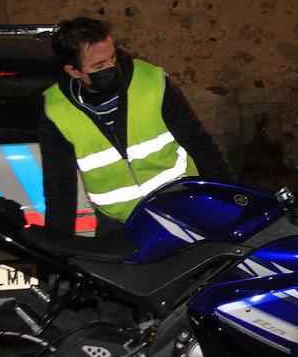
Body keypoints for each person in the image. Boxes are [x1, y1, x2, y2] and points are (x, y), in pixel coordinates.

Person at [40, 17, 231, 234]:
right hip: (119, 225)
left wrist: (230, 201)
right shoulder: (56, 110)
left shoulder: (151, 82)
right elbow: (59, 185)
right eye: (99, 66)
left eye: (112, 57)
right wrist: (57, 243)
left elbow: (199, 143)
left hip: (181, 208)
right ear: (73, 71)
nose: (112, 66)